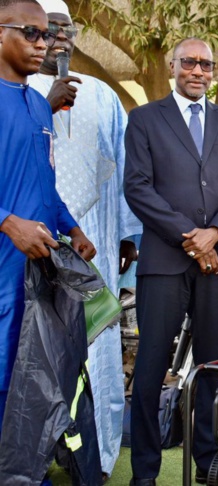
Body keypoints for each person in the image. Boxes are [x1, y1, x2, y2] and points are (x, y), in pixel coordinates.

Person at [123, 37, 218, 485]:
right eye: (190, 63)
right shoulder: (144, 119)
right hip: (164, 262)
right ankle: (144, 471)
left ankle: (207, 462)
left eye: (206, 65)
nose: (198, 71)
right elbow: (137, 187)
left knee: (212, 367)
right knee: (150, 367)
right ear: (172, 66)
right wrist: (190, 238)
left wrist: (214, 234)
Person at [27, 0, 142, 478]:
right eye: (47, 30)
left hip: (92, 241)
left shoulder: (101, 94)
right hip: (29, 245)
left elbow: (122, 167)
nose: (59, 38)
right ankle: (29, 454)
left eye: (67, 30)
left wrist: (128, 236)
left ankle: (92, 455)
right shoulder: (15, 89)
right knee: (30, 350)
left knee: (93, 344)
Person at [0, 0, 95, 435]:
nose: (46, 43)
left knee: (31, 373)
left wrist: (72, 228)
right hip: (4, 260)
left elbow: (42, 182)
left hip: (37, 267)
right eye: (31, 33)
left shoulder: (40, 106)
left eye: (48, 34)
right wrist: (8, 222)